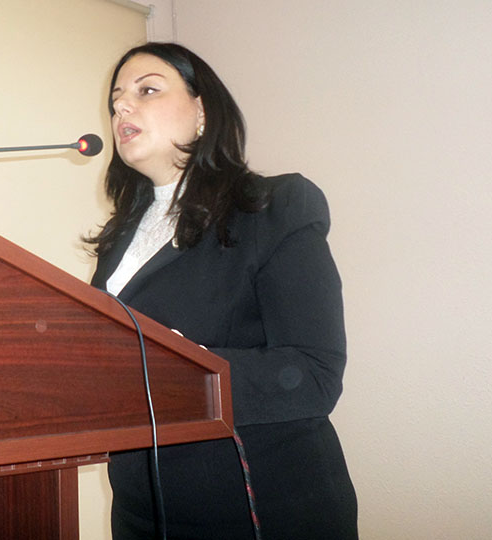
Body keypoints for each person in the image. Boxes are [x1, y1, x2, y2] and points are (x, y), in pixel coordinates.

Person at [86, 42, 358, 539]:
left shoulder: (274, 208)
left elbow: (315, 374)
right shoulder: (117, 239)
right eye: (116, 100)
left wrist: (182, 369)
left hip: (260, 508)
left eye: (147, 90)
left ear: (203, 112)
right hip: (140, 512)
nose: (122, 106)